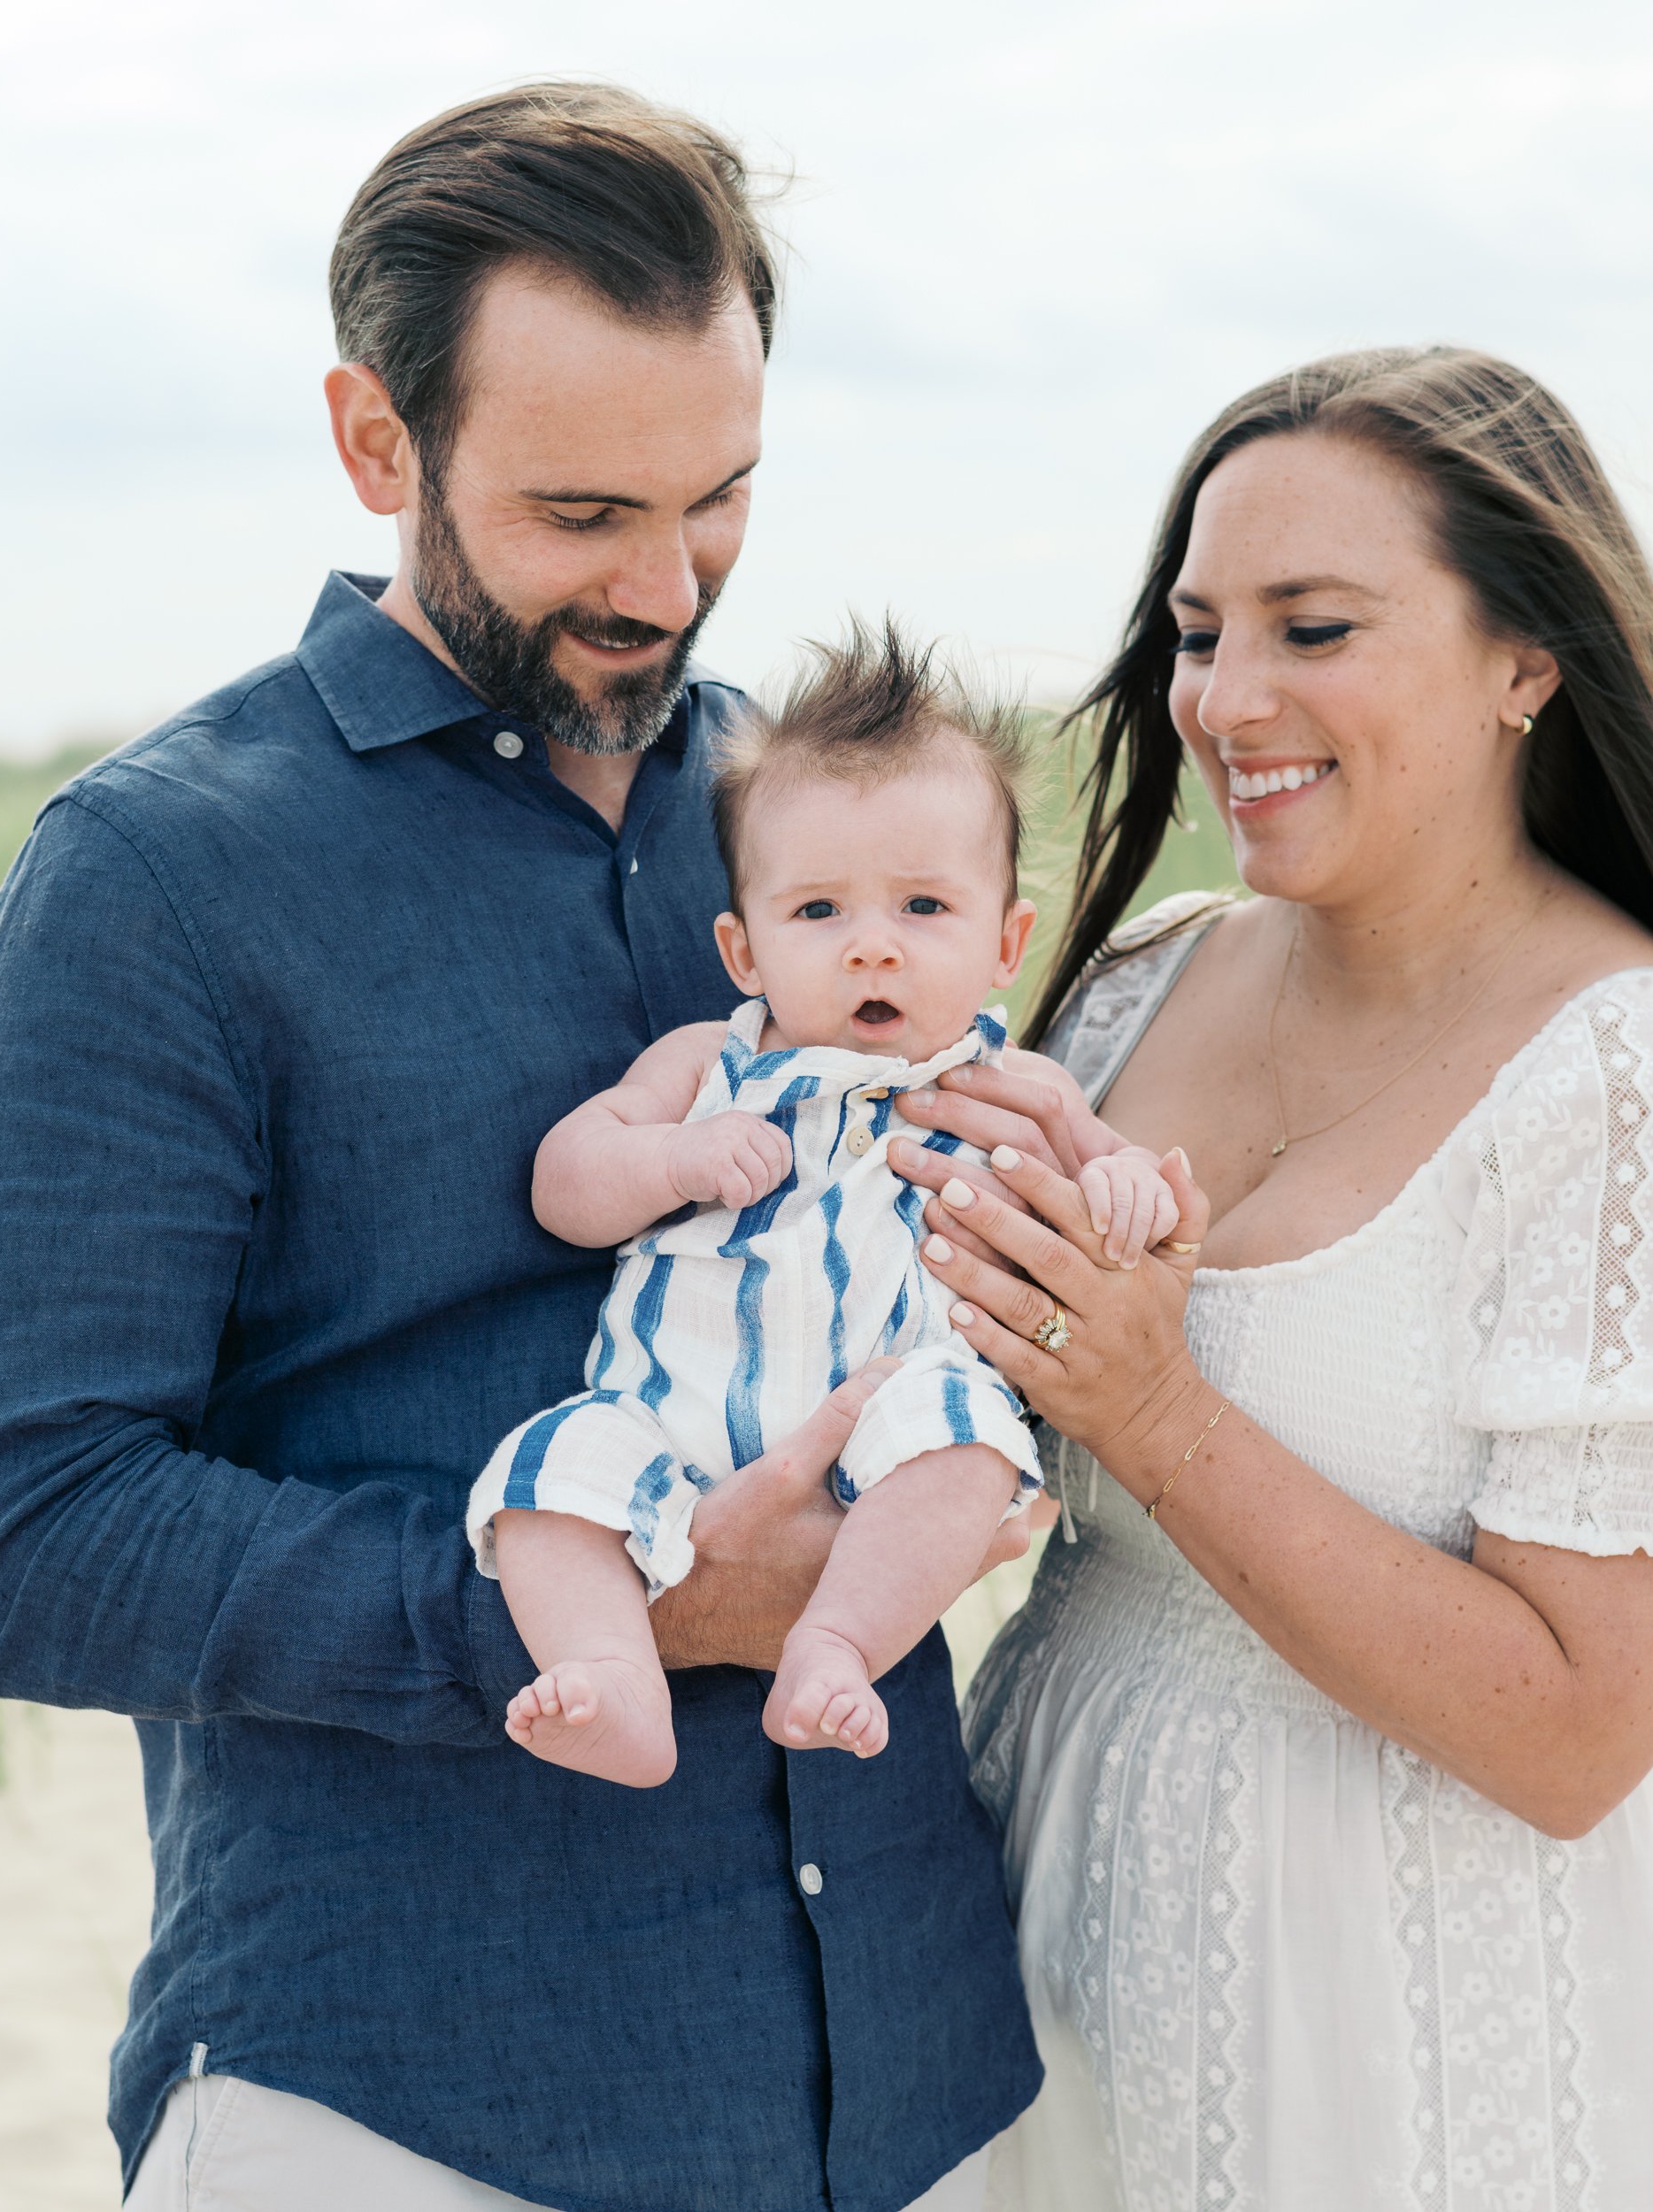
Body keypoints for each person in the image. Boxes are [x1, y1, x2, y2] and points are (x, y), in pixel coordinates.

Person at [0, 84, 1043, 2210]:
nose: (668, 590)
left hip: (930, 2080)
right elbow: (33, 1521)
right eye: (584, 513)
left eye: (721, 498)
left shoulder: (808, 817)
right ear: (378, 443)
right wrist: (598, 1612)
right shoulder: (154, 878)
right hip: (406, 2098)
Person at [883, 348, 1653, 2209]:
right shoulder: (1138, 978)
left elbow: (1570, 1736)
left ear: (1521, 660)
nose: (1228, 699)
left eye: (1312, 627)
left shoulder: (1615, 1073)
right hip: (1035, 1923)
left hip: (1390, 2017)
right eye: (1197, 631)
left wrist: (1150, 1409)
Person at [473, 625, 1179, 1787]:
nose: (871, 953)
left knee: (969, 1439)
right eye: (819, 915)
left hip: (886, 1410)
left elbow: (1123, 1175)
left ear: (1007, 941)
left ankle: (836, 1644)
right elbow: (565, 1185)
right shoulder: (705, 1064)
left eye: (921, 908)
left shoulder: (1014, 1087)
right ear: (741, 950)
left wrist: (1122, 1184)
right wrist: (674, 1163)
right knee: (547, 1476)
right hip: (669, 1414)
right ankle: (613, 1684)